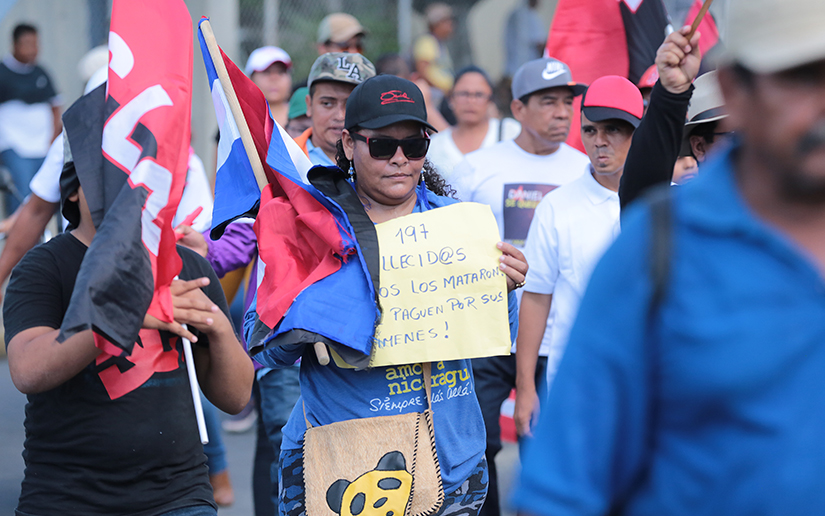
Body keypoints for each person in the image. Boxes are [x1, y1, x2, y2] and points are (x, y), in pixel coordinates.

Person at [512, 0, 825, 513]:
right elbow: (564, 489)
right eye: (801, 76)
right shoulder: (658, 247)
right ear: (738, 91)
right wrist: (671, 94)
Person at [245, 74, 528, 516]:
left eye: (414, 146)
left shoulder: (461, 226)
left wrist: (504, 289)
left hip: (451, 465)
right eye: (382, 146)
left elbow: (500, 335)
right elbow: (262, 347)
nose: (400, 159)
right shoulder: (311, 228)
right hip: (341, 470)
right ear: (349, 144)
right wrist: (313, 313)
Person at [4, 143, 253, 515]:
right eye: (111, 174)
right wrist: (125, 315)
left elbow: (236, 399)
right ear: (73, 190)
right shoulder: (45, 266)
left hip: (180, 496)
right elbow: (27, 370)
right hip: (66, 497)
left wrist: (216, 325)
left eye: (141, 174)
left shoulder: (187, 266)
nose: (130, 186)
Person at [450, 57, 589, 516]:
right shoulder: (476, 169)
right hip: (487, 335)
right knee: (474, 446)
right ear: (517, 109)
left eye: (567, 102)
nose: (562, 112)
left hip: (555, 338)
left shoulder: (586, 170)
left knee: (547, 450)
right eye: (548, 102)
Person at [514, 76, 643, 438]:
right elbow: (536, 297)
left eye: (613, 129)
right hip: (579, 388)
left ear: (638, 131)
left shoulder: (671, 201)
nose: (599, 140)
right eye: (590, 130)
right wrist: (526, 387)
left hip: (656, 387)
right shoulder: (557, 207)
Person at [619, 28, 728, 209]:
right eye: (733, 136)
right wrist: (671, 94)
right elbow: (641, 198)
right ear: (699, 146)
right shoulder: (677, 213)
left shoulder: (775, 207)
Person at [0, 23, 62, 214]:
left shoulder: (41, 72)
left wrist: (52, 140)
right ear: (14, 44)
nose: (33, 49)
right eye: (27, 44)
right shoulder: (2, 73)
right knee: (21, 202)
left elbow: (56, 106)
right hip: (15, 148)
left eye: (36, 44)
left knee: (50, 200)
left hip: (43, 149)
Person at [427, 66, 520, 180]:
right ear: (451, 99)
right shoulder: (435, 145)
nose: (471, 101)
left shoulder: (510, 131)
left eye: (479, 94)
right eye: (464, 94)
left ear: (490, 100)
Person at [294, 52, 376, 167]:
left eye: (351, 104)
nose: (340, 116)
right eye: (327, 103)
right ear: (309, 105)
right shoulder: (284, 158)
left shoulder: (391, 160)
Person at [413, 3, 455, 96]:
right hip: (434, 94)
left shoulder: (438, 42)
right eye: (447, 21)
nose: (451, 25)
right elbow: (422, 71)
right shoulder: (427, 41)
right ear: (437, 23)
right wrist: (441, 89)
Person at [246, 46, 293, 127]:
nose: (274, 78)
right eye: (266, 72)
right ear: (250, 78)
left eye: (280, 72)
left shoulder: (304, 116)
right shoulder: (238, 118)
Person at [504, 0, 546, 81]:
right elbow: (539, 44)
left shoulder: (515, 14)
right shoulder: (530, 16)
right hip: (528, 69)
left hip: (512, 68)